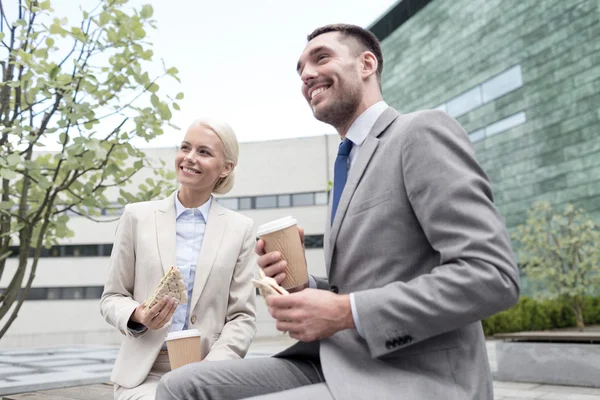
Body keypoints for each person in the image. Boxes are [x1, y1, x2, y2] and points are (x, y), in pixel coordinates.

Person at [156, 24, 520, 400]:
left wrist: (346, 311)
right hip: (337, 359)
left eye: (321, 58)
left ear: (366, 64)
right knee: (179, 385)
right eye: (299, 69)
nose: (306, 74)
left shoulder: (419, 132)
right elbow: (361, 285)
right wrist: (304, 287)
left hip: (413, 375)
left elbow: (492, 276)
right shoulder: (348, 160)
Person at [100, 118, 257, 399]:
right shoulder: (137, 217)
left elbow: (242, 316)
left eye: (204, 152)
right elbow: (112, 297)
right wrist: (138, 315)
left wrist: (212, 369)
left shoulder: (241, 230)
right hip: (145, 374)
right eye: (185, 147)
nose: (189, 158)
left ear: (226, 167)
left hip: (208, 371)